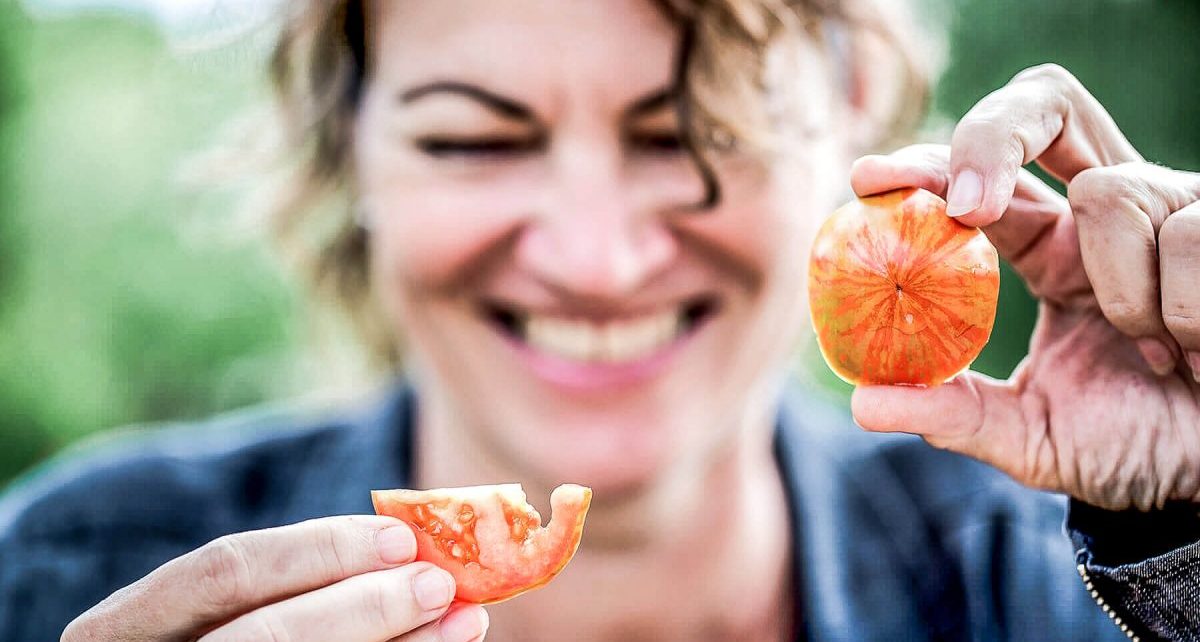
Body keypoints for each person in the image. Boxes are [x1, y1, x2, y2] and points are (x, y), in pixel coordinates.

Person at [2, 0, 1199, 640]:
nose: (596, 255)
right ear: (345, 151)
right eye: (471, 139)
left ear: (857, 119)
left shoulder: (1059, 596)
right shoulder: (64, 582)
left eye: (694, 132)